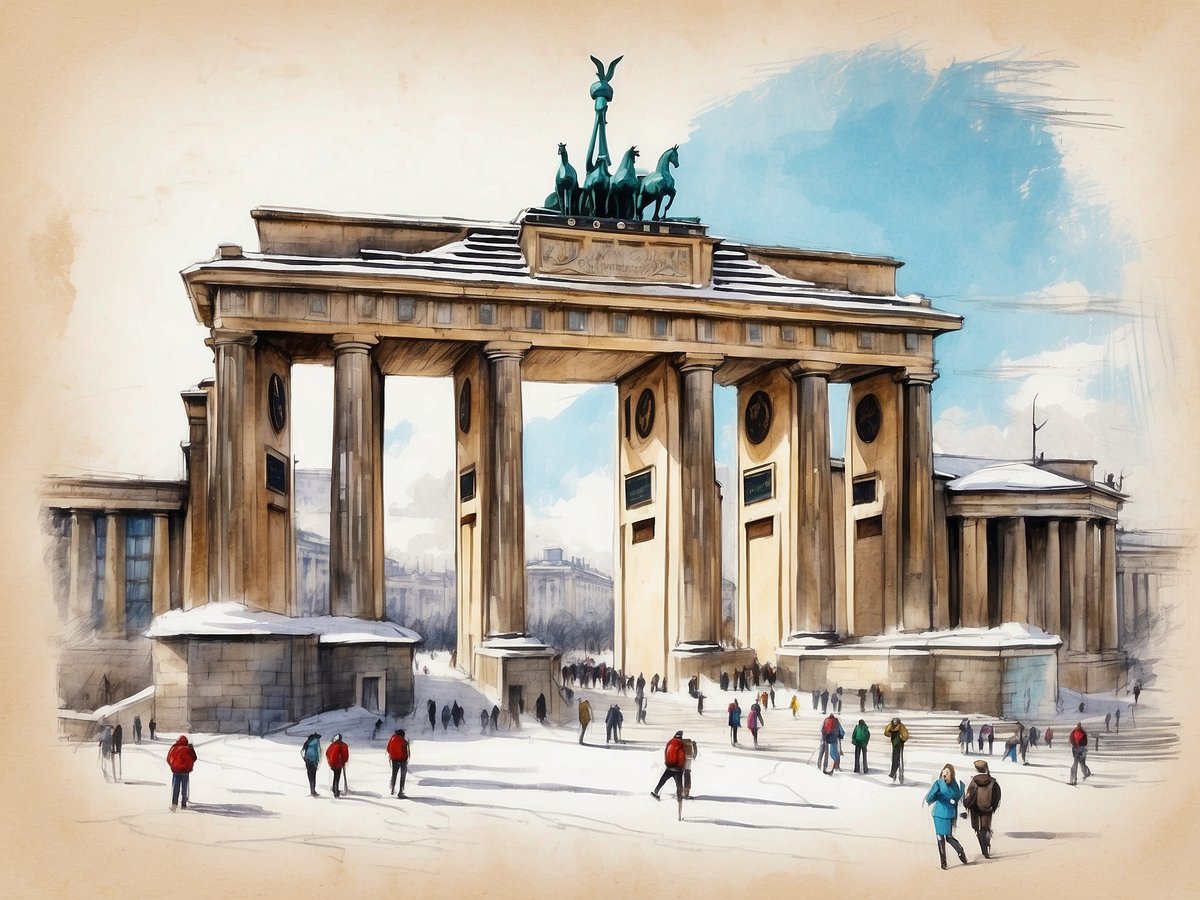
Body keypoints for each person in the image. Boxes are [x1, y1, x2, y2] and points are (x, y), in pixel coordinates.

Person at [924, 763, 968, 869]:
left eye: (948, 772)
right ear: (942, 772)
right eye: (945, 771)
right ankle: (943, 862)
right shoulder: (939, 783)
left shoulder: (953, 785)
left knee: (948, 837)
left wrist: (946, 795)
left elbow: (956, 796)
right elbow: (929, 798)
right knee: (941, 837)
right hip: (939, 813)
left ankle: (960, 851)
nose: (946, 774)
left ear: (952, 775)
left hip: (947, 814)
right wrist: (937, 791)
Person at [963, 760, 1001, 859]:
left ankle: (983, 849)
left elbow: (968, 796)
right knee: (985, 827)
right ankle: (987, 844)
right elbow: (997, 795)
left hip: (975, 809)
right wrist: (993, 807)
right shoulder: (992, 781)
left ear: (976, 769)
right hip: (987, 808)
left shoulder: (974, 781)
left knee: (977, 828)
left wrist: (967, 805)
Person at [650, 730, 687, 808]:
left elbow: (666, 752)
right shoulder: (680, 744)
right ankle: (680, 796)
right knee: (679, 784)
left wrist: (667, 763)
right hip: (677, 768)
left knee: (663, 779)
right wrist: (682, 766)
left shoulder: (670, 742)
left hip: (669, 766)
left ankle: (656, 791)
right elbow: (681, 756)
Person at [166, 735, 197, 811]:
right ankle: (183, 804)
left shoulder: (174, 748)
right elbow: (194, 758)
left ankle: (174, 803)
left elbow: (168, 758)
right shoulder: (188, 749)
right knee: (184, 788)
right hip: (185, 772)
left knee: (175, 787)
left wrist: (173, 766)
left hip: (176, 771)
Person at [884, 717, 909, 783]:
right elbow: (886, 733)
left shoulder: (901, 726)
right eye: (894, 721)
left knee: (897, 759)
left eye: (896, 721)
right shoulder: (891, 726)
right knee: (895, 758)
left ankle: (896, 774)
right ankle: (894, 773)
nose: (895, 723)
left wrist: (901, 740)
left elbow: (905, 735)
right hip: (894, 744)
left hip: (899, 744)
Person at [386, 728, 409, 797]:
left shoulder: (392, 738)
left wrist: (392, 755)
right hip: (402, 760)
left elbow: (388, 749)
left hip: (394, 759)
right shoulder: (403, 741)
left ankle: (392, 788)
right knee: (403, 775)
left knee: (394, 774)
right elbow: (405, 752)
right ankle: (401, 791)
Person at [326, 733, 349, 798]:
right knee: (337, 777)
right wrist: (343, 762)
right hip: (339, 764)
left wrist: (329, 761)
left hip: (333, 763)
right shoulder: (344, 745)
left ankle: (334, 789)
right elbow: (345, 756)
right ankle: (336, 792)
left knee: (335, 776)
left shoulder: (332, 745)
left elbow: (327, 753)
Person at [301, 732, 322, 797]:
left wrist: (305, 759)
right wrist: (318, 760)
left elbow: (302, 751)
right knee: (313, 775)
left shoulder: (307, 742)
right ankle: (313, 790)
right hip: (314, 761)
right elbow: (318, 752)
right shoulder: (317, 742)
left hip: (308, 761)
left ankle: (311, 790)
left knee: (310, 776)